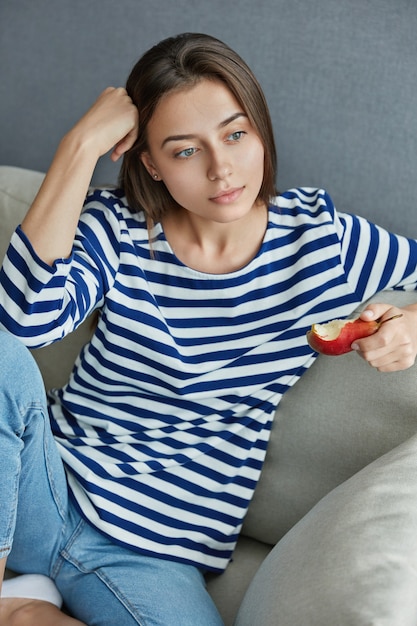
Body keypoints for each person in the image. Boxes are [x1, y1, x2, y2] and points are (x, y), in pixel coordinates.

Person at [0, 31, 416, 626]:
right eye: (185, 150)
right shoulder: (117, 229)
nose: (223, 170)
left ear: (260, 131)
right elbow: (20, 325)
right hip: (42, 490)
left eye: (236, 134)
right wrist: (80, 144)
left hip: (156, 551)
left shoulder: (322, 243)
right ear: (151, 164)